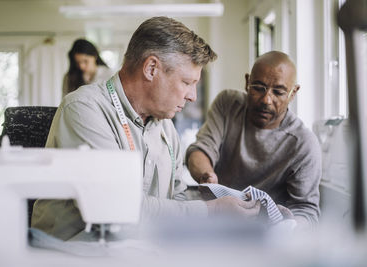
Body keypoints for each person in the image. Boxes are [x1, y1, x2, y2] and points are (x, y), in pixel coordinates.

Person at [32, 16, 261, 241]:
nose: (192, 96)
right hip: (77, 255)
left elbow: (177, 199)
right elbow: (119, 210)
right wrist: (212, 211)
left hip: (140, 252)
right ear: (151, 68)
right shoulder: (84, 109)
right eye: (187, 82)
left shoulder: (166, 129)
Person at [186, 51, 322, 229]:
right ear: (246, 82)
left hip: (263, 234)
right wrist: (207, 177)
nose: (266, 100)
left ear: (293, 93)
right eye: (258, 88)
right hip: (216, 218)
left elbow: (307, 210)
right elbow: (201, 149)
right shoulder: (228, 104)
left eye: (278, 92)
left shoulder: (303, 144)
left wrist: (289, 229)